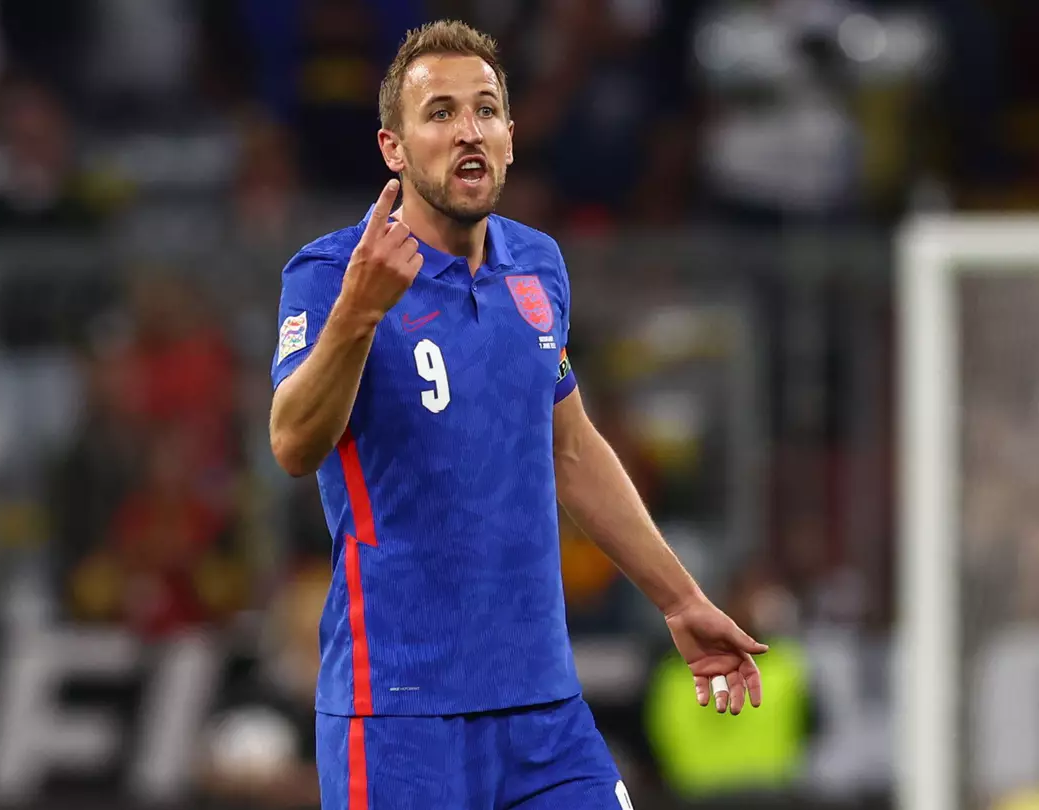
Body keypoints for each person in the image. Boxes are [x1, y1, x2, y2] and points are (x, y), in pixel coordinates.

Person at [267, 20, 766, 809]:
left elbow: (569, 445)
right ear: (393, 148)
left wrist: (680, 599)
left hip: (544, 712)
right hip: (399, 715)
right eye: (440, 113)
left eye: (487, 109)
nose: (468, 130)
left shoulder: (537, 267)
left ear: (509, 135)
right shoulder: (334, 274)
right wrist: (358, 316)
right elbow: (293, 443)